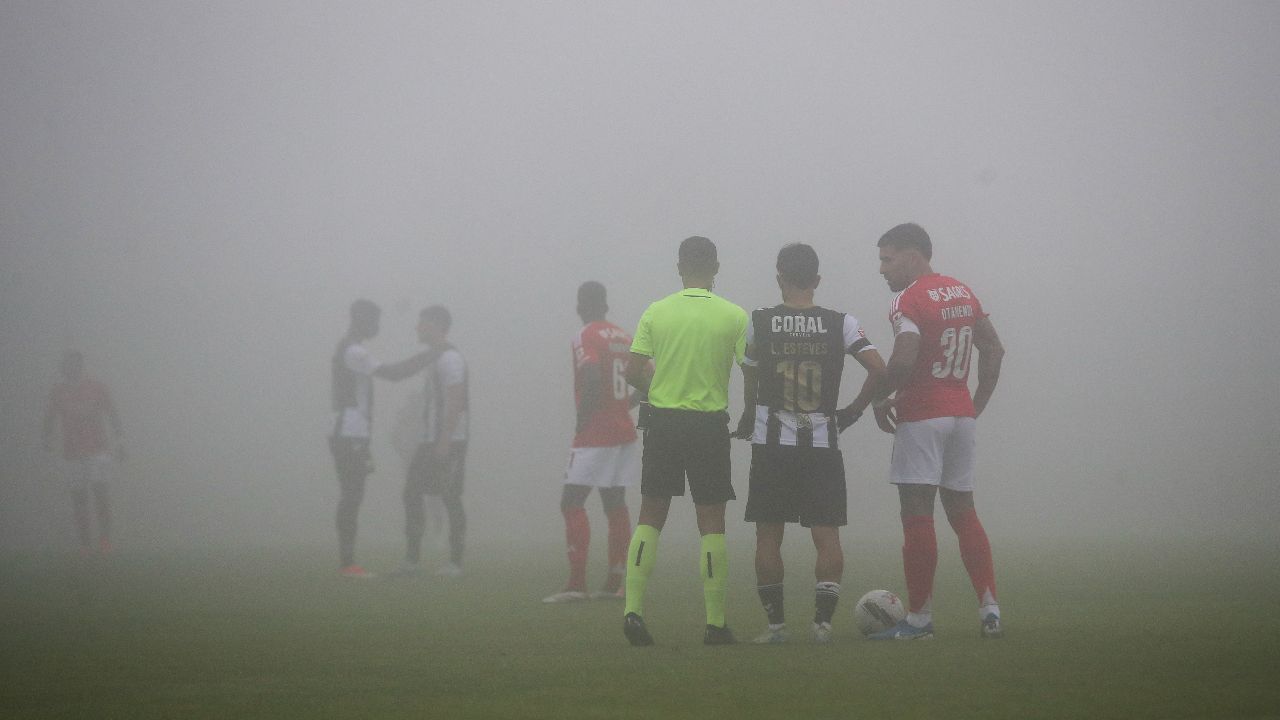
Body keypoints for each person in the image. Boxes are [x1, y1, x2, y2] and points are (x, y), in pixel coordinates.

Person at [731, 243, 887, 643]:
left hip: (771, 443)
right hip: (821, 442)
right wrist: (852, 410)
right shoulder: (841, 323)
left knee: (768, 534)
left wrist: (749, 415)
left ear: (779, 277)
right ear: (816, 280)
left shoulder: (759, 322)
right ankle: (822, 624)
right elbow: (877, 367)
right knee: (826, 534)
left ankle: (776, 626)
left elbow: (749, 374)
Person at [866, 223, 1006, 640]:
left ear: (913, 254)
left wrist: (877, 399)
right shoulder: (962, 292)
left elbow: (904, 361)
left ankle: (919, 620)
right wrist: (974, 406)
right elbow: (993, 349)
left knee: (917, 511)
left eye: (886, 259)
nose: (881, 269)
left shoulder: (907, 299)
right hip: (960, 415)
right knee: (963, 511)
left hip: (923, 415)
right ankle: (990, 611)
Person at [621, 236, 749, 646]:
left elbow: (633, 370)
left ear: (679, 267)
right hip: (709, 425)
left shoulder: (656, 312)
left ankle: (633, 611)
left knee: (650, 516)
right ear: (715, 267)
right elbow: (751, 371)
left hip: (664, 423)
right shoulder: (734, 315)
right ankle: (715, 623)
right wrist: (748, 413)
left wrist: (657, 387)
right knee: (711, 522)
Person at [543, 282, 639, 603]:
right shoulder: (624, 336)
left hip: (595, 433)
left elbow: (593, 375)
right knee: (615, 503)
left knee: (571, 502)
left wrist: (584, 418)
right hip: (623, 433)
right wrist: (624, 405)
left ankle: (576, 584)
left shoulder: (585, 334)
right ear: (606, 304)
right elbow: (651, 380)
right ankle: (614, 581)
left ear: (581, 304)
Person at [330, 299, 436, 579]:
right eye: (374, 320)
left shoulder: (353, 349)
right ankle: (348, 563)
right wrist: (430, 354)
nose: (377, 327)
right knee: (351, 496)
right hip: (348, 433)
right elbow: (393, 374)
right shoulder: (354, 351)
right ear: (362, 319)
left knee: (353, 495)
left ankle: (348, 561)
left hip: (353, 433)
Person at [400, 305, 469, 578]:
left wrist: (444, 440)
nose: (417, 328)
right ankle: (412, 560)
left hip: (448, 440)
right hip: (430, 440)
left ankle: (455, 563)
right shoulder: (434, 358)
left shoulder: (450, 358)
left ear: (436, 325)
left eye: (422, 323)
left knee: (451, 497)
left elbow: (455, 399)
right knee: (411, 493)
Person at [41, 350, 123, 556]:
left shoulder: (96, 387)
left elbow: (112, 413)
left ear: (80, 365)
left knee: (100, 493)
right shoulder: (58, 392)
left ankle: (105, 540)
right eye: (67, 364)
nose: (70, 368)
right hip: (72, 453)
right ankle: (85, 544)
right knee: (79, 498)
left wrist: (120, 441)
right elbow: (50, 418)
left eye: (74, 364)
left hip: (98, 450)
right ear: (63, 367)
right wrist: (46, 438)